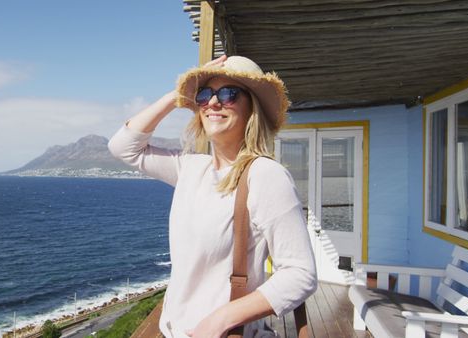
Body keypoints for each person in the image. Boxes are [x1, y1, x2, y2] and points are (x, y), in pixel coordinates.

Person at [108, 55, 317, 338]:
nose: (213, 103)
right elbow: (123, 147)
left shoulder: (266, 175)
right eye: (204, 95)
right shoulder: (191, 169)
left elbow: (300, 273)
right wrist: (176, 96)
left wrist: (220, 319)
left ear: (251, 107)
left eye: (229, 94)